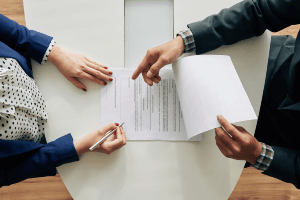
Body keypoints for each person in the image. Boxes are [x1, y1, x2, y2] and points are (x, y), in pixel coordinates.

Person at [132, 0, 300, 188]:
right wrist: (183, 41)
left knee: (180, 167)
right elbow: (261, 10)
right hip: (256, 61)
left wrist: (257, 154)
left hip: (264, 139)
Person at [0, 14, 126, 187]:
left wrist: (53, 53)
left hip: (37, 66)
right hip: (43, 140)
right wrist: (79, 147)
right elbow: (6, 174)